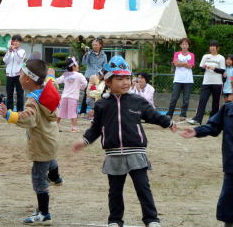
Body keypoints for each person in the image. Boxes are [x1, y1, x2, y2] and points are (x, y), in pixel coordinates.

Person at [73, 55, 177, 227]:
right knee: (114, 191)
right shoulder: (102, 105)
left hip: (136, 153)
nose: (125, 82)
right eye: (119, 79)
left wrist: (169, 122)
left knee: (143, 188)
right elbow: (96, 128)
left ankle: (151, 219)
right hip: (113, 155)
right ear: (108, 82)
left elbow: (153, 115)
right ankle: (114, 220)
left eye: (128, 78)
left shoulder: (138, 101)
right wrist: (84, 140)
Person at [0, 59, 63, 225]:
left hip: (41, 142)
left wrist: (10, 115)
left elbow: (29, 118)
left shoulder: (32, 100)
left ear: (27, 79)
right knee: (50, 158)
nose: (19, 76)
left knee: (38, 178)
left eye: (21, 74)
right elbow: (51, 80)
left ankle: (44, 213)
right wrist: (50, 74)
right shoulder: (49, 88)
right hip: (52, 138)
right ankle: (56, 177)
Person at [181, 94, 233, 227]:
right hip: (232, 164)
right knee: (229, 200)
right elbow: (213, 127)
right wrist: (197, 131)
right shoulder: (228, 109)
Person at [187, 40, 225, 125]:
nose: (212, 47)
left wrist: (213, 68)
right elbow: (201, 68)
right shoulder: (206, 56)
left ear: (217, 48)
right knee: (202, 100)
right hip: (206, 82)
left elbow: (222, 70)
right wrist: (205, 67)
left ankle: (213, 120)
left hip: (217, 83)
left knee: (216, 103)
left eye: (214, 46)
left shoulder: (221, 57)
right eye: (211, 46)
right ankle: (197, 119)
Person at [166, 38, 195, 121]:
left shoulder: (191, 55)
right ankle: (169, 114)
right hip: (178, 79)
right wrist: (185, 63)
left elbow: (191, 66)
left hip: (188, 80)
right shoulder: (177, 53)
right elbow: (176, 63)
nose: (184, 45)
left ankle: (183, 115)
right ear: (180, 45)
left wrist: (180, 63)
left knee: (186, 99)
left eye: (186, 44)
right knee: (174, 98)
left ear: (188, 45)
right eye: (183, 44)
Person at [56, 56, 87, 132]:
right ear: (74, 66)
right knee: (73, 113)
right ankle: (74, 128)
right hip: (73, 97)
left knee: (60, 112)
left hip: (64, 96)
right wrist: (80, 87)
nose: (78, 66)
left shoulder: (66, 74)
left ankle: (56, 125)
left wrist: (49, 80)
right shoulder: (79, 75)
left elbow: (58, 80)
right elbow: (85, 83)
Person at [80, 38, 107, 115]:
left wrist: (101, 75)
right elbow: (84, 63)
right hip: (89, 76)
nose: (94, 46)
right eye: (93, 45)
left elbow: (104, 66)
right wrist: (86, 55)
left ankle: (97, 110)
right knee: (87, 93)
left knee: (99, 93)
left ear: (100, 45)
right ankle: (82, 111)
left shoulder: (104, 55)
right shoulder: (89, 53)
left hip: (99, 77)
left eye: (96, 45)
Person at [3, 35, 26, 112]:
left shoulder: (22, 51)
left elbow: (19, 59)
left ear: (20, 42)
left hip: (18, 75)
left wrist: (15, 51)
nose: (15, 43)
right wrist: (9, 51)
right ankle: (10, 110)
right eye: (14, 41)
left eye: (17, 41)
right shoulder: (9, 51)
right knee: (9, 93)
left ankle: (20, 111)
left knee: (20, 94)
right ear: (12, 42)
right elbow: (5, 60)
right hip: (9, 74)